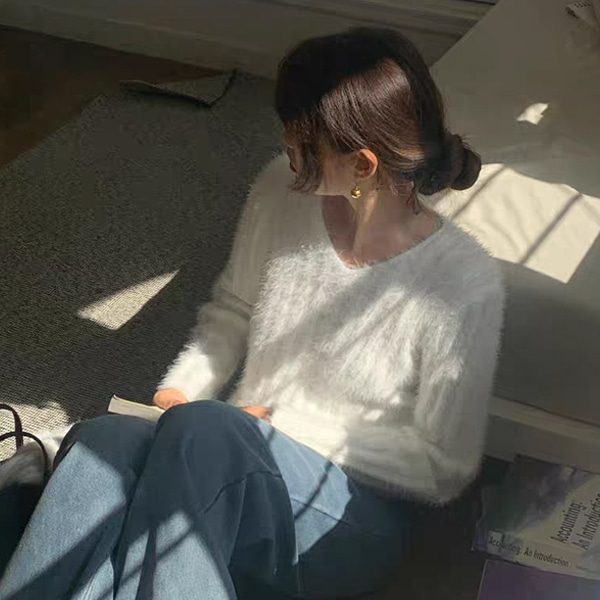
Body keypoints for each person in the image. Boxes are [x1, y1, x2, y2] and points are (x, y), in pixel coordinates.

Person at [0, 27, 504, 599]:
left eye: (301, 145)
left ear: (363, 166)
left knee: (206, 434)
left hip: (349, 512)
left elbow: (444, 466)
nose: (286, 150)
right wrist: (183, 389)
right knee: (103, 439)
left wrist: (281, 425)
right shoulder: (278, 189)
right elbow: (235, 308)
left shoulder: (462, 283)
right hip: (226, 451)